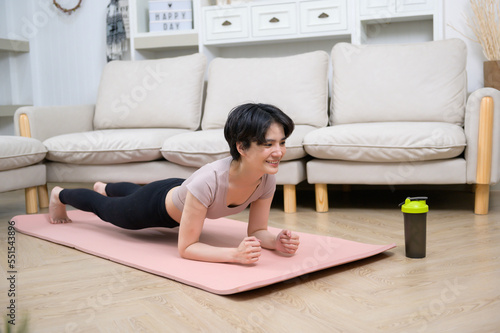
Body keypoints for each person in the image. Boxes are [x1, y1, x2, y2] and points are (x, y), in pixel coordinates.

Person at [49, 103, 300, 265]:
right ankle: (60, 195)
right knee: (107, 210)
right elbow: (187, 247)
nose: (279, 151)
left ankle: (107, 186)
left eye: (282, 142)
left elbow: (256, 231)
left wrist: (275, 241)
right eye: (269, 144)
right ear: (242, 147)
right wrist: (234, 255)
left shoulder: (266, 179)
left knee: (135, 191)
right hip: (155, 206)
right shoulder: (209, 180)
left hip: (181, 190)